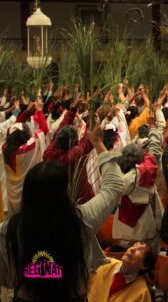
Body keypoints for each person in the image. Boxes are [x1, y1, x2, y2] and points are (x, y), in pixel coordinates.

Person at [0, 124, 124, 301]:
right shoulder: (83, 219)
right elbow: (114, 186)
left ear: (27, 194)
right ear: (65, 191)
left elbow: (6, 277)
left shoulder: (7, 231)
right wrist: (98, 143)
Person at [2, 99, 49, 215]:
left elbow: (13, 129)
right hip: (27, 194)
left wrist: (27, 112)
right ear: (25, 137)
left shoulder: (4, 148)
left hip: (12, 195)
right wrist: (39, 110)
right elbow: (44, 129)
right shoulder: (26, 150)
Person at [87, 241, 155, 302]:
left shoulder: (142, 292)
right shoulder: (105, 264)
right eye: (134, 245)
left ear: (145, 266)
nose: (132, 249)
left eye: (140, 250)